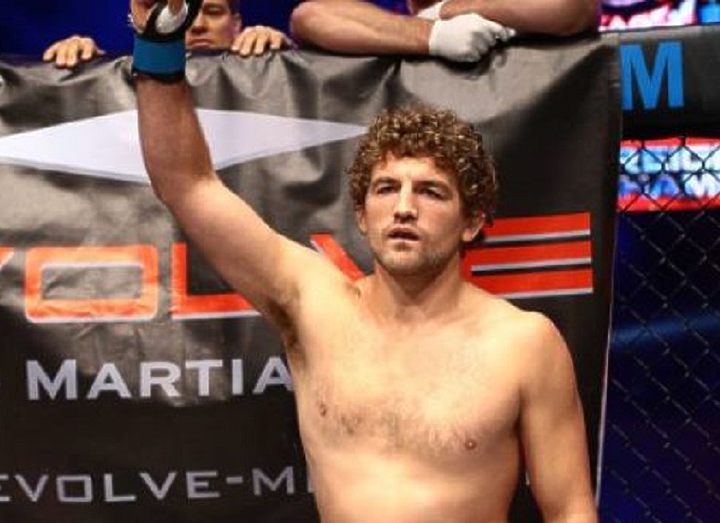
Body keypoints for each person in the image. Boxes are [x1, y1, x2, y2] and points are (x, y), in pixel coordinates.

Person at [132, 1, 599, 521]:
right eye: (386, 189)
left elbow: (570, 511)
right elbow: (187, 184)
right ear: (361, 213)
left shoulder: (524, 343)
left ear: (471, 222)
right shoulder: (313, 304)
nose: (404, 208)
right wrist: (158, 44)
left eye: (430, 192)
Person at [290, 0, 598, 62]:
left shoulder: (497, 23)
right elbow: (309, 17)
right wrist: (433, 35)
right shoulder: (383, 29)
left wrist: (447, 11)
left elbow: (573, 8)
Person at [43, 0, 290, 68]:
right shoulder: (123, 81)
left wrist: (284, 59)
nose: (198, 25)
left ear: (236, 24)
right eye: (184, 15)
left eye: (213, 12)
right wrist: (86, 68)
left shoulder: (271, 62)